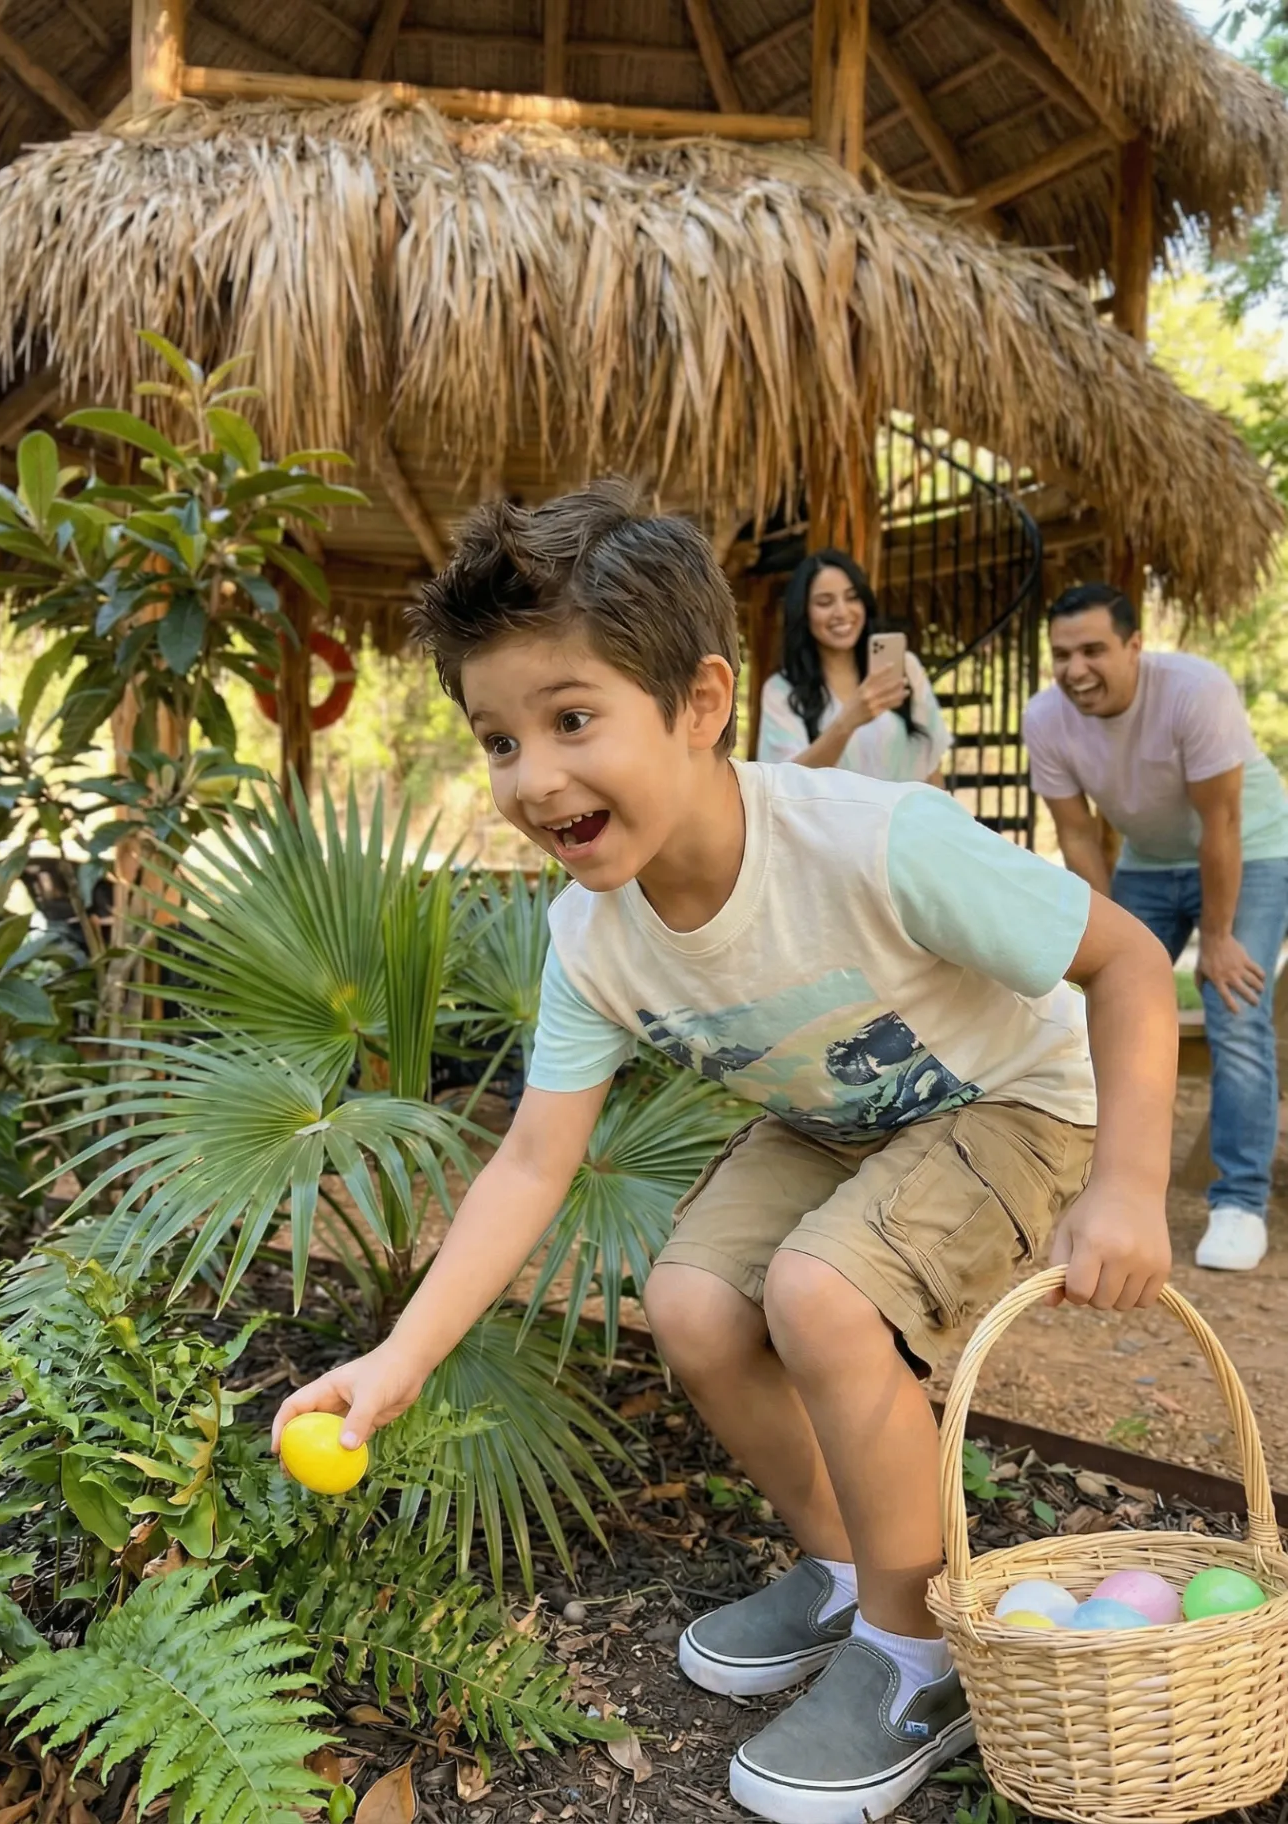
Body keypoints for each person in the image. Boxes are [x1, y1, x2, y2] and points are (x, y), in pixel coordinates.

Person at [274, 485, 1176, 1824]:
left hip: (1019, 1099)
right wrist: (399, 1359)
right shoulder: (590, 941)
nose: (533, 777)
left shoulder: (873, 841)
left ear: (699, 704)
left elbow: (1130, 962)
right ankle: (848, 1571)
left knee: (820, 1295)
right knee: (692, 1304)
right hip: (840, 1119)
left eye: (570, 720)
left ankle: (919, 1655)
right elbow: (529, 1163)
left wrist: (1128, 1188)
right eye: (499, 739)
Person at [1024, 581, 1288, 1275]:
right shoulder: (1044, 717)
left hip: (1251, 849)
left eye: (1093, 650)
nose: (1075, 669)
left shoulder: (1195, 692)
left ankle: (1239, 1202)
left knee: (1235, 1007)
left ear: (1134, 646)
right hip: (1147, 862)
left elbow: (1221, 821)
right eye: (1061, 655)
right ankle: (1087, 1181)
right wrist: (1105, 938)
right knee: (1092, 1004)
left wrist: (1219, 938)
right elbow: (1077, 835)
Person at [756, 549, 951, 784]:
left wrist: (943, 808)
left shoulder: (905, 668)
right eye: (825, 602)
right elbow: (783, 783)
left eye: (852, 597)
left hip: (909, 809)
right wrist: (846, 723)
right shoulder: (781, 691)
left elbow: (932, 768)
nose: (842, 612)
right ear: (803, 613)